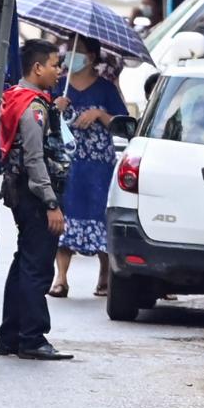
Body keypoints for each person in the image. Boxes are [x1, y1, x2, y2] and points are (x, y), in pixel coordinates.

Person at [0, 39, 73, 362]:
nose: (59, 71)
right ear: (38, 68)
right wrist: (51, 204)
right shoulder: (34, 108)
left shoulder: (24, 99)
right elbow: (34, 159)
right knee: (37, 266)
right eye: (55, 65)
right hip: (35, 196)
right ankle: (32, 337)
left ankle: (10, 336)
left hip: (24, 194)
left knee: (24, 262)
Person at [49, 38, 128, 298]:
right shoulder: (59, 85)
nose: (71, 56)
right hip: (66, 164)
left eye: (78, 51)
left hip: (99, 166)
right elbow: (42, 118)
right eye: (68, 50)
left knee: (100, 214)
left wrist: (99, 114)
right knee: (65, 215)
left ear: (92, 57)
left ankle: (105, 275)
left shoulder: (106, 89)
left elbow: (124, 123)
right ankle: (61, 278)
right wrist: (55, 108)